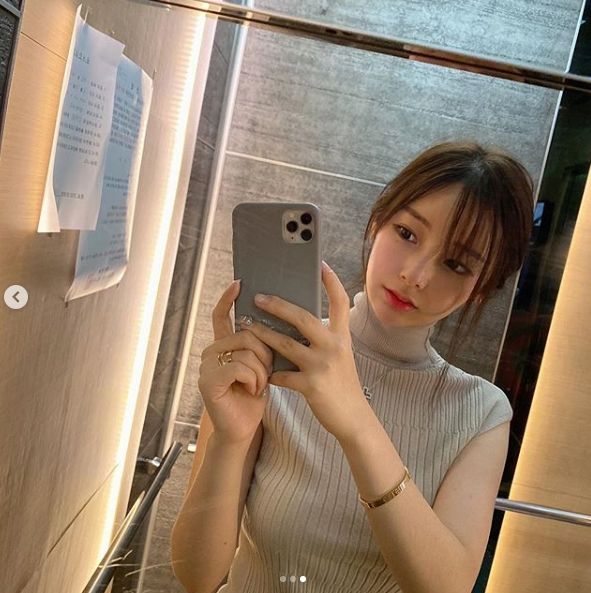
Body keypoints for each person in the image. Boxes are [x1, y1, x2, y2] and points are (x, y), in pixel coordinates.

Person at [171, 141, 534, 593]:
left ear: (481, 288)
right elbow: (197, 575)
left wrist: (357, 424)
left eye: (456, 264)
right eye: (407, 233)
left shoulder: (480, 414)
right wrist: (229, 441)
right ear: (378, 221)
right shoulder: (276, 355)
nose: (416, 274)